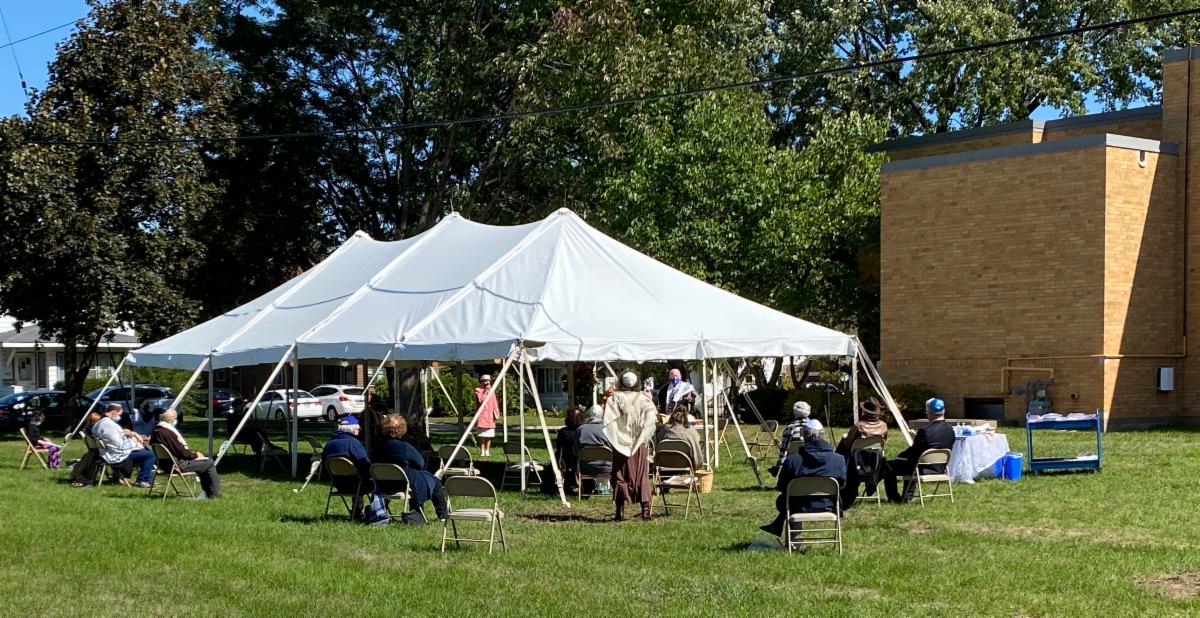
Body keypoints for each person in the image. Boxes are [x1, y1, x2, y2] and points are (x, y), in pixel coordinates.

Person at [759, 422, 847, 537]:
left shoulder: (792, 460)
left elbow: (782, 486)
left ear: (804, 436)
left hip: (797, 507)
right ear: (822, 435)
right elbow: (842, 485)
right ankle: (786, 532)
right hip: (829, 505)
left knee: (784, 500)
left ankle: (792, 538)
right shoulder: (839, 459)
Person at [602, 371, 658, 521]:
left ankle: (619, 512)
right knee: (641, 475)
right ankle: (645, 511)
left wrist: (617, 436)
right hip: (638, 444)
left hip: (619, 443)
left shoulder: (614, 398)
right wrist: (643, 435)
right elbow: (651, 419)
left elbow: (608, 421)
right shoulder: (644, 399)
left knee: (620, 476)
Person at [374, 414, 448, 523]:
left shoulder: (377, 446)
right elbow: (420, 463)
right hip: (404, 482)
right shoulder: (404, 447)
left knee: (416, 479)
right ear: (402, 429)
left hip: (383, 483)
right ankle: (442, 515)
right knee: (434, 481)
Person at [882, 397, 956, 503]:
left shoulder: (925, 431)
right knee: (911, 463)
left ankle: (894, 498)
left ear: (929, 412)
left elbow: (914, 452)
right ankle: (906, 497)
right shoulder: (950, 430)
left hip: (922, 468)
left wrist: (900, 457)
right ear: (943, 411)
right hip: (940, 467)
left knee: (889, 466)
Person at [150, 409, 222, 499]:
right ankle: (215, 494)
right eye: (175, 418)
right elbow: (181, 452)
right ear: (170, 418)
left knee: (203, 465)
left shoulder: (156, 431)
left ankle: (208, 493)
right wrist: (195, 455)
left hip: (164, 465)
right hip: (177, 465)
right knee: (209, 463)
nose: (176, 420)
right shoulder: (167, 433)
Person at [92, 403, 156, 488]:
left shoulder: (100, 423)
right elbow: (119, 446)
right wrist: (133, 441)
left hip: (108, 451)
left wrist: (132, 434)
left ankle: (147, 479)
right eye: (119, 414)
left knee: (143, 452)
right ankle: (142, 479)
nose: (119, 417)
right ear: (114, 412)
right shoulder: (109, 425)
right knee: (150, 454)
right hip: (116, 454)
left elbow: (117, 434)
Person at [322, 415, 372, 516]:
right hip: (358, 485)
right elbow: (366, 465)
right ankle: (376, 511)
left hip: (337, 484)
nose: (359, 430)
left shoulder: (329, 444)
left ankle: (357, 511)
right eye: (358, 428)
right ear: (352, 429)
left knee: (356, 475)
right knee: (368, 479)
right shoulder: (353, 443)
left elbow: (324, 466)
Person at [775, 401, 824, 469]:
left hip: (793, 464)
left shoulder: (790, 428)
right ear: (808, 412)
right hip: (812, 464)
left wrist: (779, 466)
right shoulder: (816, 428)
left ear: (794, 412)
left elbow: (784, 449)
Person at [576, 404, 613, 494]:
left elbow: (576, 450)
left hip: (585, 467)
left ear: (589, 414)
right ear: (602, 414)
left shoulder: (581, 429)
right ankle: (605, 487)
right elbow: (613, 449)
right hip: (606, 467)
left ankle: (586, 489)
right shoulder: (608, 429)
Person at [70, 411, 104, 487]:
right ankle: (81, 477)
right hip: (97, 451)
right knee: (88, 457)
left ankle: (80, 477)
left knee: (88, 457)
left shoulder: (89, 427)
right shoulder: (92, 428)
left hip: (95, 451)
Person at [556, 407, 584, 491]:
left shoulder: (562, 432)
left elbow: (558, 447)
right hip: (579, 461)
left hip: (565, 461)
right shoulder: (583, 432)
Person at [474, 374, 499, 457]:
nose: (486, 382)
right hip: (482, 415)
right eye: (484, 381)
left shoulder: (492, 390)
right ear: (481, 381)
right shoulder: (478, 390)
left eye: (488, 381)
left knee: (489, 435)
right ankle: (482, 451)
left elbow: (494, 402)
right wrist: (486, 391)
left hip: (490, 416)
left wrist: (496, 412)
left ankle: (487, 450)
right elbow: (481, 401)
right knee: (482, 435)